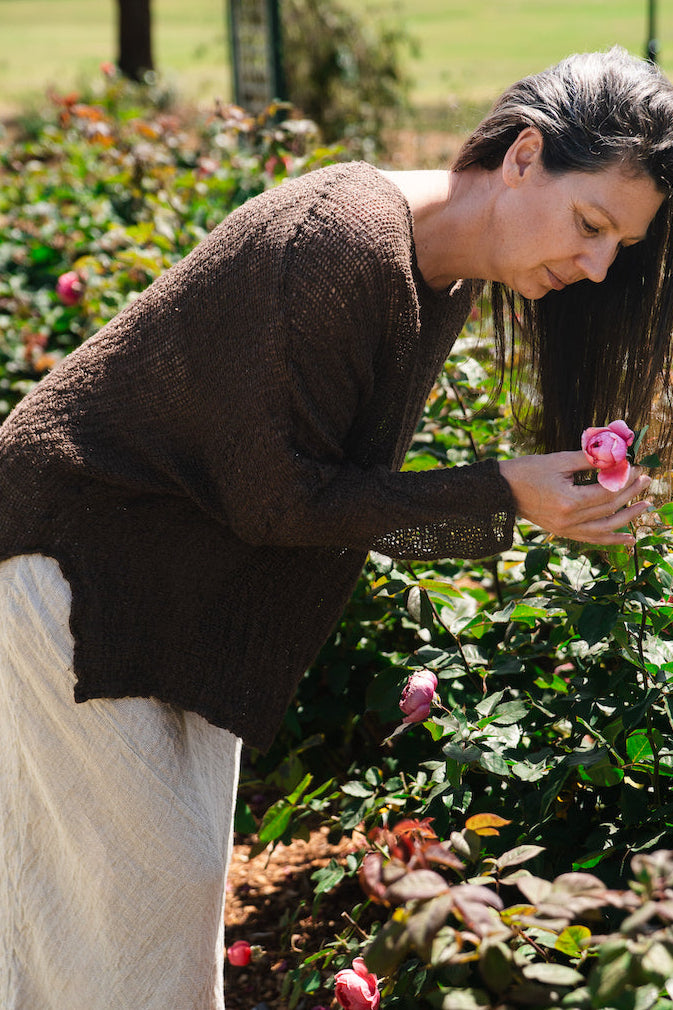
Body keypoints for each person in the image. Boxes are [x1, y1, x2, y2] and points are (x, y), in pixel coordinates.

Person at [1, 44, 672, 1010]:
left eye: (620, 247)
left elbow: (317, 495)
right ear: (523, 156)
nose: (598, 265)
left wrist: (514, 498)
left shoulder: (443, 270)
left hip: (166, 589)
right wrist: (502, 493)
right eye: (591, 224)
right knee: (134, 925)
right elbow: (279, 501)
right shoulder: (344, 241)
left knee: (105, 922)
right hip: (78, 574)